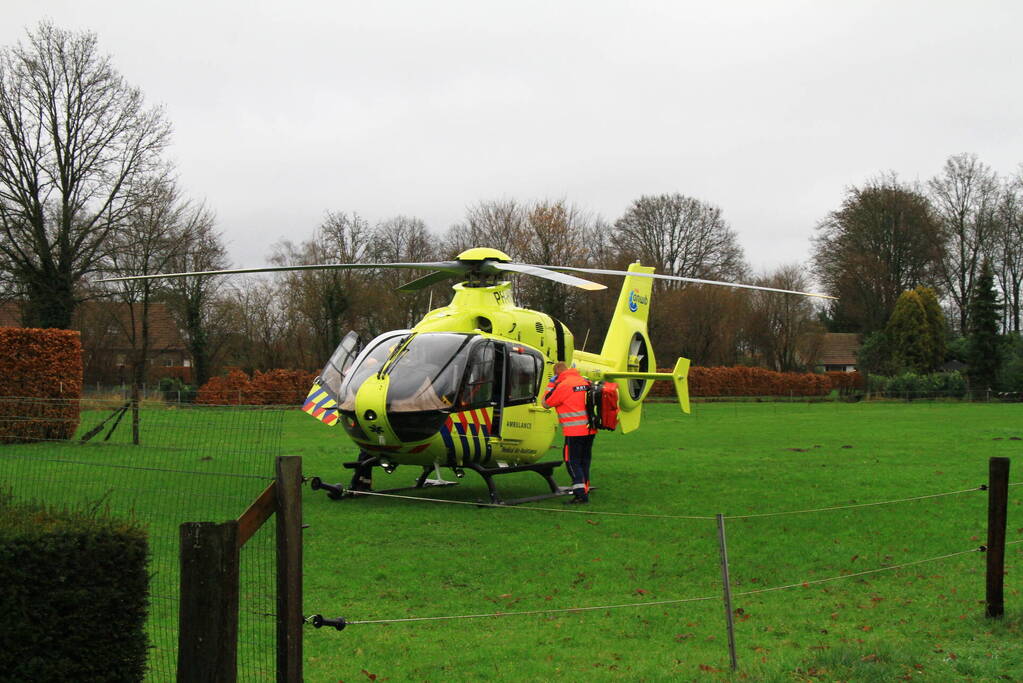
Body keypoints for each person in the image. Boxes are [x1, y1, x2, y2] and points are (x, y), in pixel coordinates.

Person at [543, 362, 597, 504]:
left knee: (572, 462)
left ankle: (580, 495)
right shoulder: (585, 381)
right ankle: (585, 488)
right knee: (585, 461)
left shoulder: (563, 386)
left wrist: (551, 385)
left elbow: (546, 403)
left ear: (557, 374)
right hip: (590, 429)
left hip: (574, 431)